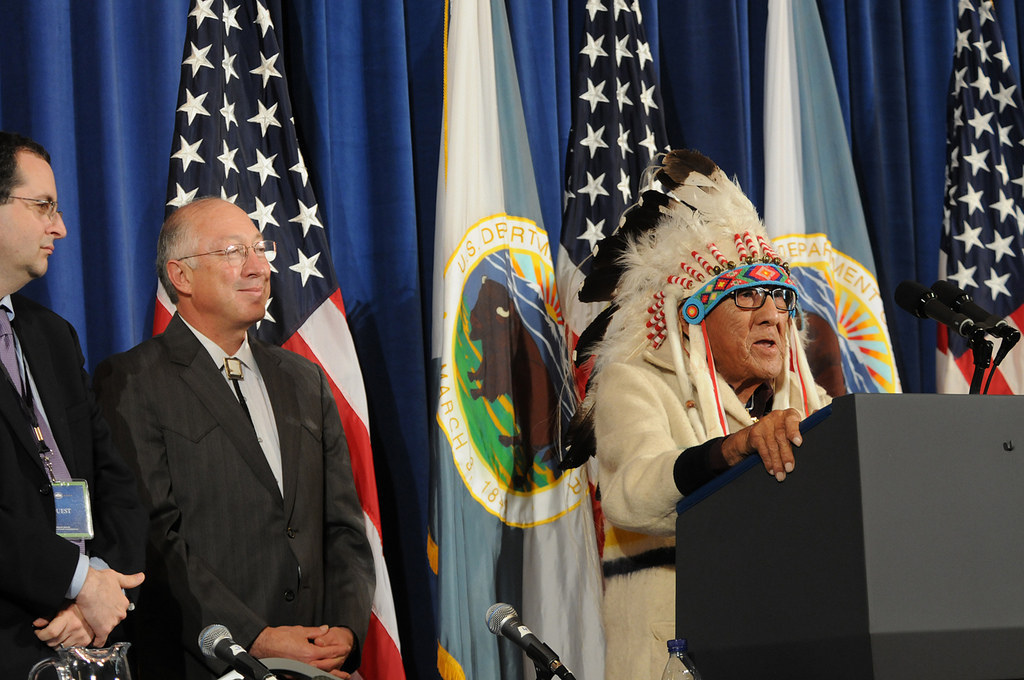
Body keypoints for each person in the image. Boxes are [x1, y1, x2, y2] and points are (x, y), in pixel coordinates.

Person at [564, 150, 830, 680]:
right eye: (748, 297)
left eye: (781, 299)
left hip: (791, 646)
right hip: (675, 660)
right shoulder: (636, 383)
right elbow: (632, 495)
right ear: (693, 316)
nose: (774, 317)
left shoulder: (806, 403)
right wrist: (737, 448)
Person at [93, 197, 375, 679]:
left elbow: (343, 526)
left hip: (319, 662)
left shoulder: (305, 380)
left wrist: (343, 632)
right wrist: (253, 637)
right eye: (232, 252)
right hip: (206, 661)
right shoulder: (133, 380)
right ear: (180, 276)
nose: (259, 266)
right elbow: (154, 537)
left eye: (260, 249)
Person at [0, 131, 147, 677]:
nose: (59, 226)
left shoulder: (53, 335)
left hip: (90, 640)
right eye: (43, 207)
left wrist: (102, 588)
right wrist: (78, 582)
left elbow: (116, 482)